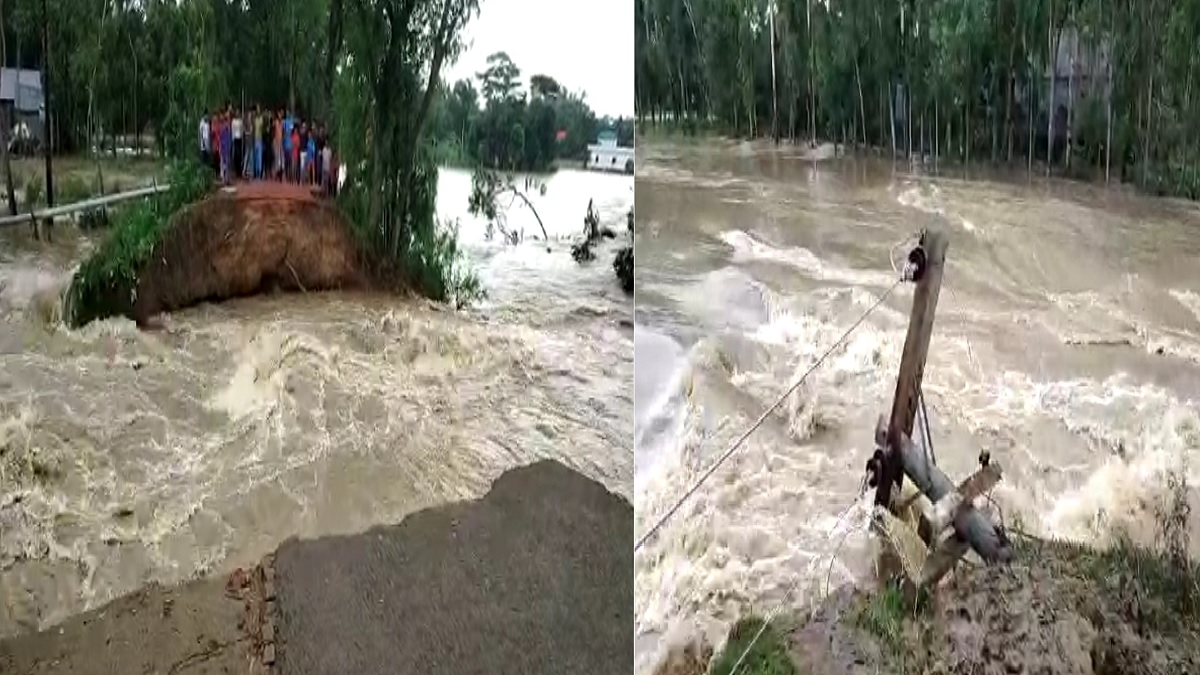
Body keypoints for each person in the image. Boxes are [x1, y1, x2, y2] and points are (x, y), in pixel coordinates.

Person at [220, 111, 233, 185]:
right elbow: (221, 138)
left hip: (227, 147)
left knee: (227, 164)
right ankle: (224, 179)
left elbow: (229, 138)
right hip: (224, 148)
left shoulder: (227, 127)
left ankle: (227, 179)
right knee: (224, 164)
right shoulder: (224, 127)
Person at [282, 110, 294, 181]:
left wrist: (288, 134)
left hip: (290, 145)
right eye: (286, 113)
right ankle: (286, 174)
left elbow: (292, 131)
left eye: (288, 113)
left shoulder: (291, 121)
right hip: (285, 145)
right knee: (286, 161)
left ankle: (290, 174)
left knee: (290, 161)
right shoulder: (284, 122)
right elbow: (283, 131)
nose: (287, 114)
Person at [253, 106, 264, 179]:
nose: (258, 111)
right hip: (254, 139)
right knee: (255, 157)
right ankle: (255, 172)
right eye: (257, 109)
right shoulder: (254, 119)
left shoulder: (261, 119)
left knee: (259, 157)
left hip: (259, 139)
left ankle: (259, 172)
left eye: (259, 109)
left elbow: (262, 129)